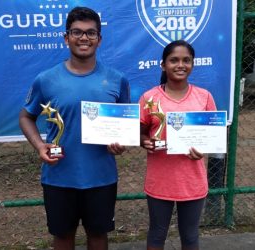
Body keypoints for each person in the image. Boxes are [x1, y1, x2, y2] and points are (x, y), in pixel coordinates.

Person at [19, 6, 130, 250]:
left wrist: (120, 144)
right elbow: (26, 117)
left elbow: (123, 127)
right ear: (66, 37)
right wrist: (40, 145)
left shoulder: (117, 80)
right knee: (63, 237)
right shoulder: (45, 79)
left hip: (101, 177)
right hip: (59, 176)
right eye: (77, 32)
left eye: (91, 33)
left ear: (99, 39)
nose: (84, 38)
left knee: (99, 236)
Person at [139, 40, 217, 250]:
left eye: (186, 60)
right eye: (174, 60)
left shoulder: (204, 97)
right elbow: (140, 133)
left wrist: (202, 148)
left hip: (192, 180)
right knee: (157, 233)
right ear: (163, 65)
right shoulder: (149, 98)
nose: (180, 65)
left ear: (192, 64)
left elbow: (212, 136)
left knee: (190, 236)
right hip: (160, 179)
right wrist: (145, 141)